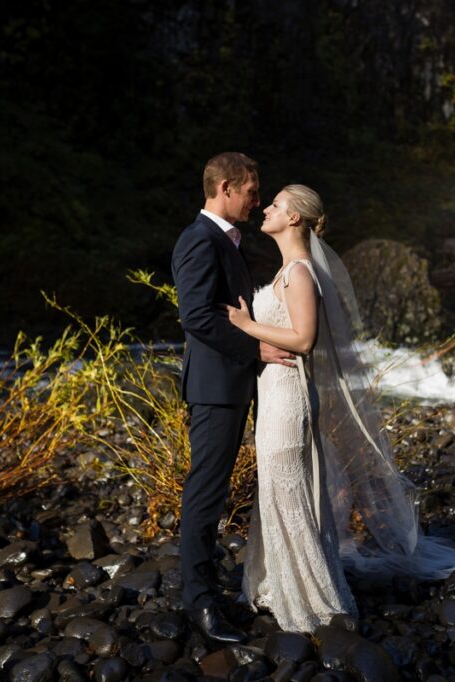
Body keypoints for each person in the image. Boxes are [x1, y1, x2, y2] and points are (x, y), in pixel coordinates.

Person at [227, 185, 455, 633]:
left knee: (290, 494)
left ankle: (313, 599)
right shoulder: (288, 269)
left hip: (288, 399)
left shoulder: (300, 273)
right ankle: (281, 584)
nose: (265, 208)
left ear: (294, 218)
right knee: (279, 492)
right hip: (274, 397)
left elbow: (304, 339)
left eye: (276, 205)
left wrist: (248, 326)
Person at [170, 153, 295, 644]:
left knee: (213, 490)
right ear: (225, 188)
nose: (256, 201)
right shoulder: (199, 239)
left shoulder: (223, 239)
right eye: (250, 191)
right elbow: (196, 316)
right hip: (214, 389)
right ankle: (198, 602)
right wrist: (256, 349)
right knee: (205, 492)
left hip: (229, 386)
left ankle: (205, 590)